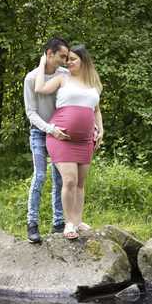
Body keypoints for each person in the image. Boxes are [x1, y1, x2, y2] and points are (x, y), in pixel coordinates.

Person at [35, 44, 103, 239]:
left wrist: (101, 129)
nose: (68, 62)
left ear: (84, 61)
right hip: (61, 138)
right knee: (70, 180)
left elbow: (96, 110)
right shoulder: (62, 78)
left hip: (85, 140)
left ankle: (78, 220)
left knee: (81, 183)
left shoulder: (93, 84)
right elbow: (39, 88)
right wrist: (42, 62)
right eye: (67, 59)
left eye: (73, 59)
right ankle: (69, 224)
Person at [24, 37, 70, 243]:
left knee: (60, 179)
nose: (65, 60)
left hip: (61, 134)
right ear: (49, 54)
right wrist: (50, 129)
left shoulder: (65, 75)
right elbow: (31, 113)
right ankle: (32, 224)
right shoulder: (32, 78)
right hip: (40, 133)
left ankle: (58, 223)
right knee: (40, 176)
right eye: (62, 56)